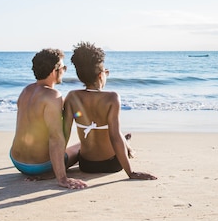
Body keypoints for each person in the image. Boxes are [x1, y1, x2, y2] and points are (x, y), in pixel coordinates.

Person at [64, 41, 156, 180]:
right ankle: (127, 145)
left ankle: (127, 144)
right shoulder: (112, 97)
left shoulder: (72, 97)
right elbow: (114, 137)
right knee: (117, 133)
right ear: (101, 75)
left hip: (86, 165)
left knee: (77, 147)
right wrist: (131, 173)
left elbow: (63, 134)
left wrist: (54, 172)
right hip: (112, 164)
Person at [10, 48, 88, 189]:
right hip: (39, 166)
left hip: (16, 161)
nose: (65, 70)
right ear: (54, 71)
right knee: (82, 146)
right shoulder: (53, 96)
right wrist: (62, 178)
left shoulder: (26, 90)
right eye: (63, 67)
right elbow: (55, 138)